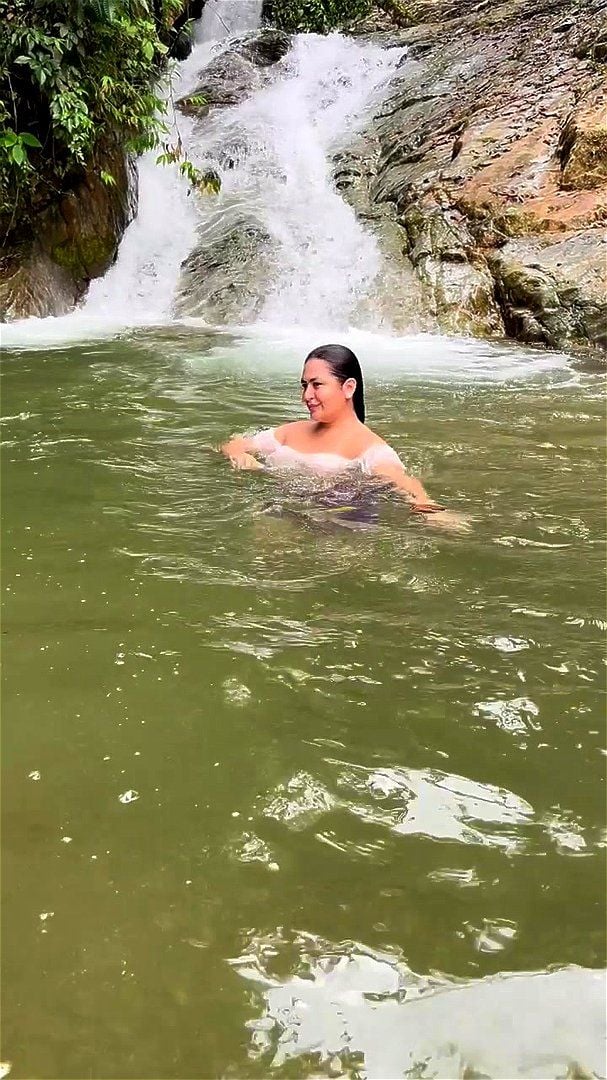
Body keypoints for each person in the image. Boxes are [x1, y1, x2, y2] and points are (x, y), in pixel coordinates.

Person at [221, 344, 467, 526]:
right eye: (304, 385)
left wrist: (430, 509)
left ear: (348, 387)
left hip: (340, 529)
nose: (306, 395)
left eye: (317, 385)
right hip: (279, 517)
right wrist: (240, 458)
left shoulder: (369, 449)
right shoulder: (290, 432)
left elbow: (402, 482)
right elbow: (234, 445)